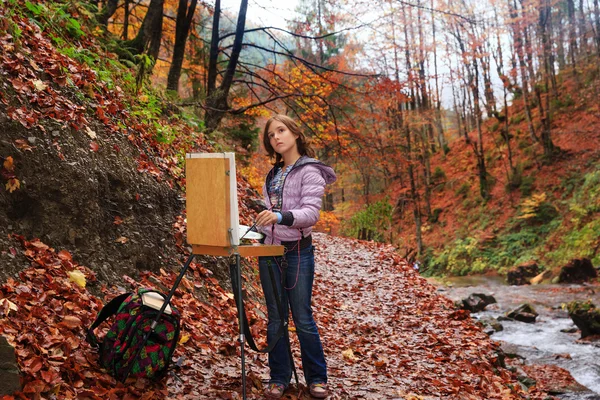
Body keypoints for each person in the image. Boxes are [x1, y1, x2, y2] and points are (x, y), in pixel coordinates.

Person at [255, 114, 336, 399]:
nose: (276, 137)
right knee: (276, 318)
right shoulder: (273, 173)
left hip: (299, 253)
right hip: (269, 252)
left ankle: (317, 378)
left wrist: (280, 215)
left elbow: (311, 214)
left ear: (296, 133)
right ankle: (279, 378)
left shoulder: (310, 171)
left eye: (281, 131)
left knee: (301, 317)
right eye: (271, 135)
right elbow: (270, 214)